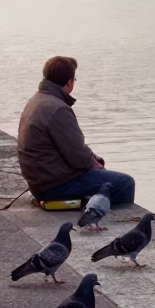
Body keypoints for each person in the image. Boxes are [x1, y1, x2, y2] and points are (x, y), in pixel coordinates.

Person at [17, 55, 135, 206]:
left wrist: (92, 158)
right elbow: (78, 156)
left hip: (40, 180)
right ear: (69, 82)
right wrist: (94, 163)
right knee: (125, 183)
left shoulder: (37, 100)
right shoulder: (58, 109)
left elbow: (70, 148)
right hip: (54, 185)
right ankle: (104, 218)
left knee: (102, 175)